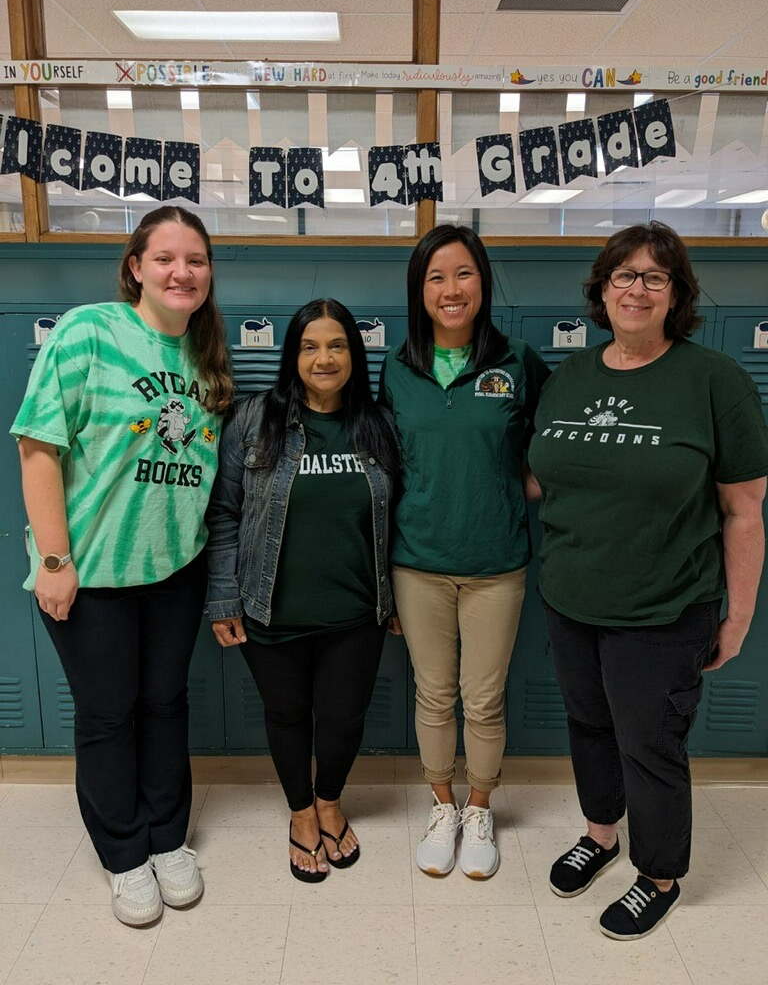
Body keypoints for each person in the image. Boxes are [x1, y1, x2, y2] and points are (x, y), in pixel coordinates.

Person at [527, 221, 768, 940]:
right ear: (602, 289)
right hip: (571, 597)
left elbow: (744, 508)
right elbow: (544, 478)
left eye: (654, 277)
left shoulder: (712, 379)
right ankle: (601, 834)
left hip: (665, 607)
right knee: (589, 725)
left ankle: (658, 874)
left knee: (650, 742)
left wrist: (738, 615)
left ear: (676, 293)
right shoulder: (571, 376)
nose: (637, 288)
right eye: (624, 275)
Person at [11, 206, 234, 927]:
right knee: (109, 717)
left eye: (195, 260)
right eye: (165, 258)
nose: (181, 272)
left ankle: (169, 837)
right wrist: (54, 560)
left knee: (166, 705)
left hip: (175, 568)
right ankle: (123, 853)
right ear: (136, 266)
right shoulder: (89, 332)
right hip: (93, 574)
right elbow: (38, 446)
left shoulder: (205, 357)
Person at [206, 298, 400, 883]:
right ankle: (301, 814)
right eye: (310, 346)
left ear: (354, 354)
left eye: (337, 345)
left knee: (343, 718)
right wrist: (223, 598)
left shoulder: (379, 423)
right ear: (292, 355)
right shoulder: (253, 419)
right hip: (271, 607)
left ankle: (331, 800)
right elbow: (223, 514)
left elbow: (405, 514)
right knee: (287, 714)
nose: (324, 358)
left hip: (356, 609)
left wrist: (400, 596)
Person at [379, 224, 550, 878]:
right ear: (419, 291)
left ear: (482, 282)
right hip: (418, 561)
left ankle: (480, 809)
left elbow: (553, 442)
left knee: (482, 698)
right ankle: (441, 804)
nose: (451, 290)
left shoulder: (518, 362)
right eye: (436, 277)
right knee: (433, 694)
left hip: (495, 565)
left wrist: (520, 487)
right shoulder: (397, 368)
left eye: (464, 274)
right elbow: (388, 464)